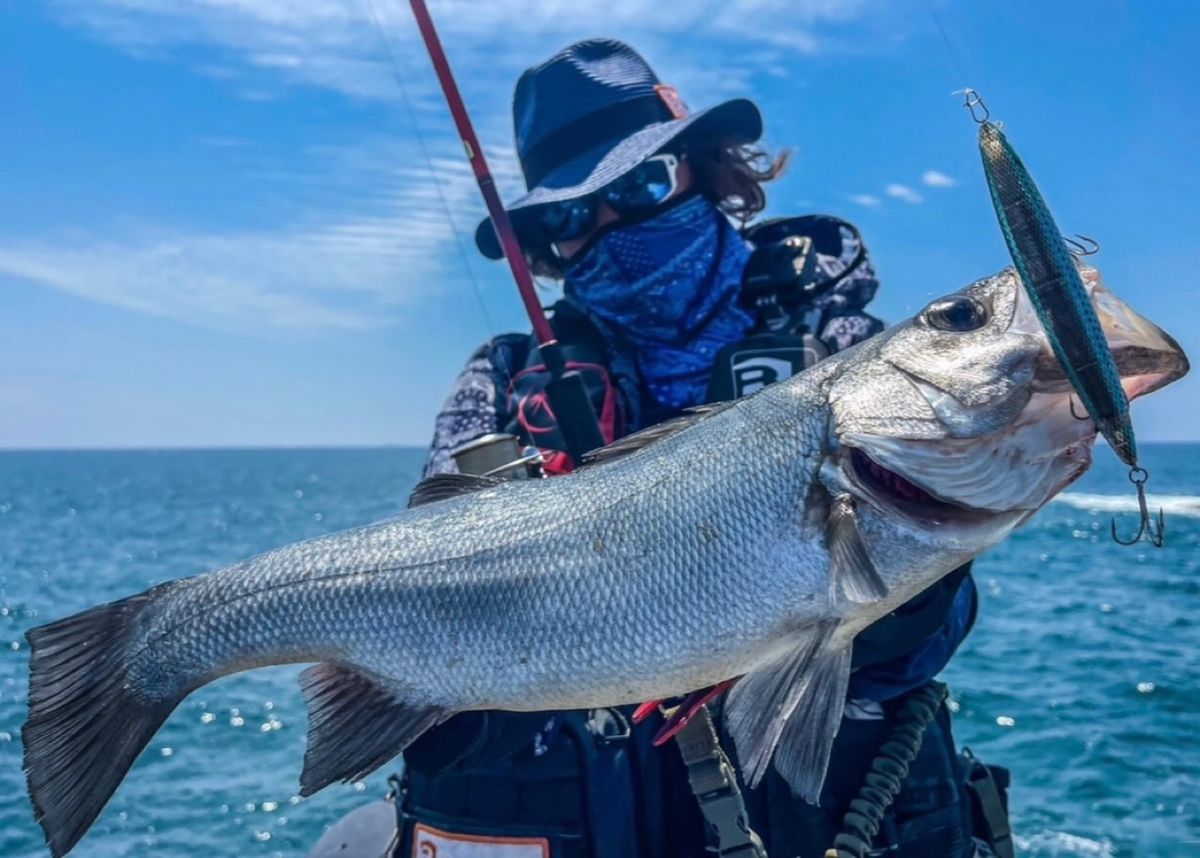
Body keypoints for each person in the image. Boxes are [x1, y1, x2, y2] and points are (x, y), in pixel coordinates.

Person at [401, 39, 1010, 858]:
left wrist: (897, 603)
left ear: (710, 169)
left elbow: (931, 631)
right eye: (575, 215)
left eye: (643, 183)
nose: (615, 225)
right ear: (547, 240)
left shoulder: (847, 357)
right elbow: (425, 577)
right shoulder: (504, 381)